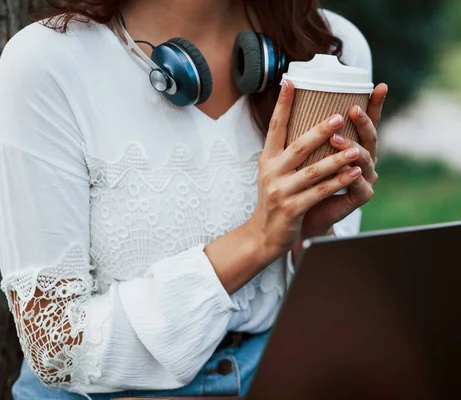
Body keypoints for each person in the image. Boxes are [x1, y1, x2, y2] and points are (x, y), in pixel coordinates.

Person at [0, 0, 387, 399]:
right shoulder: (45, 62)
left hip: (279, 373)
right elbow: (57, 353)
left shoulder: (328, 49)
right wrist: (258, 240)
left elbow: (323, 313)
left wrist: (312, 230)